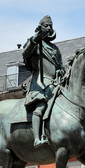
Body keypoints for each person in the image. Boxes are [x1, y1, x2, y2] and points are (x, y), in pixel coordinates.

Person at [22, 15, 64, 148]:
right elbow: (25, 53)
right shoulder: (35, 44)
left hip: (55, 82)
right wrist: (35, 40)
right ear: (40, 27)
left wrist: (61, 71)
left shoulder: (55, 49)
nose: (49, 28)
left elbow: (61, 65)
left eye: (51, 26)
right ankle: (36, 139)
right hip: (41, 82)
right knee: (40, 107)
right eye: (46, 25)